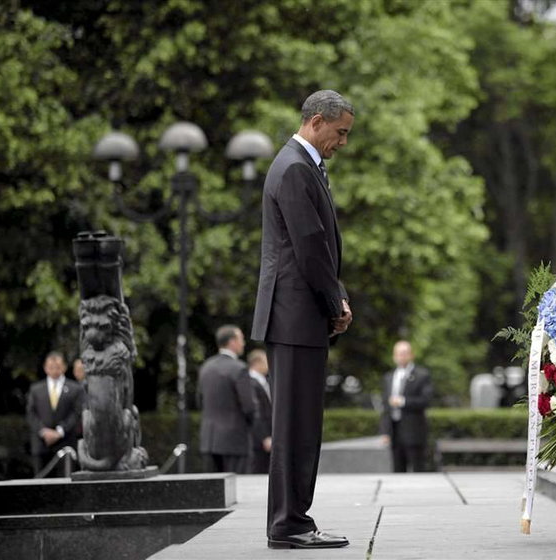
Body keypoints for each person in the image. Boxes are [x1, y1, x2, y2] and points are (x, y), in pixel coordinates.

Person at [251, 89, 354, 550]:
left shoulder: (300, 164)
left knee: (301, 425)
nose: (343, 142)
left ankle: (294, 519)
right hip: (294, 316)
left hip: (297, 316)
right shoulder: (295, 167)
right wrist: (335, 304)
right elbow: (311, 248)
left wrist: (338, 297)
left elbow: (319, 247)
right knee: (294, 427)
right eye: (340, 132)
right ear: (316, 122)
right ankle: (289, 524)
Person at [197, 325, 256, 473]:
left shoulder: (206, 367)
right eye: (241, 339)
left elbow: (200, 401)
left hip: (209, 440)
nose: (243, 343)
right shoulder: (239, 368)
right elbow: (249, 406)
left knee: (213, 491)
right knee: (237, 488)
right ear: (232, 342)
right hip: (235, 440)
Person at [26, 351, 85, 476]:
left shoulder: (75, 389)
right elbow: (31, 414)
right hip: (41, 445)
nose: (54, 370)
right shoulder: (36, 389)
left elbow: (77, 413)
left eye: (57, 367)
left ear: (64, 367)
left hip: (65, 444)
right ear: (45, 368)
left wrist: (60, 431)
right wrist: (43, 431)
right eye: (51, 367)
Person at [380, 340, 434, 473]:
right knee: (398, 469)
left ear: (411, 355)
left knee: (417, 468)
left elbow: (426, 400)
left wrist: (403, 402)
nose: (401, 356)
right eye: (398, 353)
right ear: (394, 356)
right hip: (395, 430)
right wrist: (385, 431)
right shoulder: (389, 377)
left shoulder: (422, 375)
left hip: (414, 430)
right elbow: (385, 407)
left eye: (404, 353)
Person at [247, 349, 272, 474]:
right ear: (257, 363)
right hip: (259, 439)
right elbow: (257, 413)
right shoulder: (251, 382)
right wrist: (264, 436)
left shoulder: (263, 381)